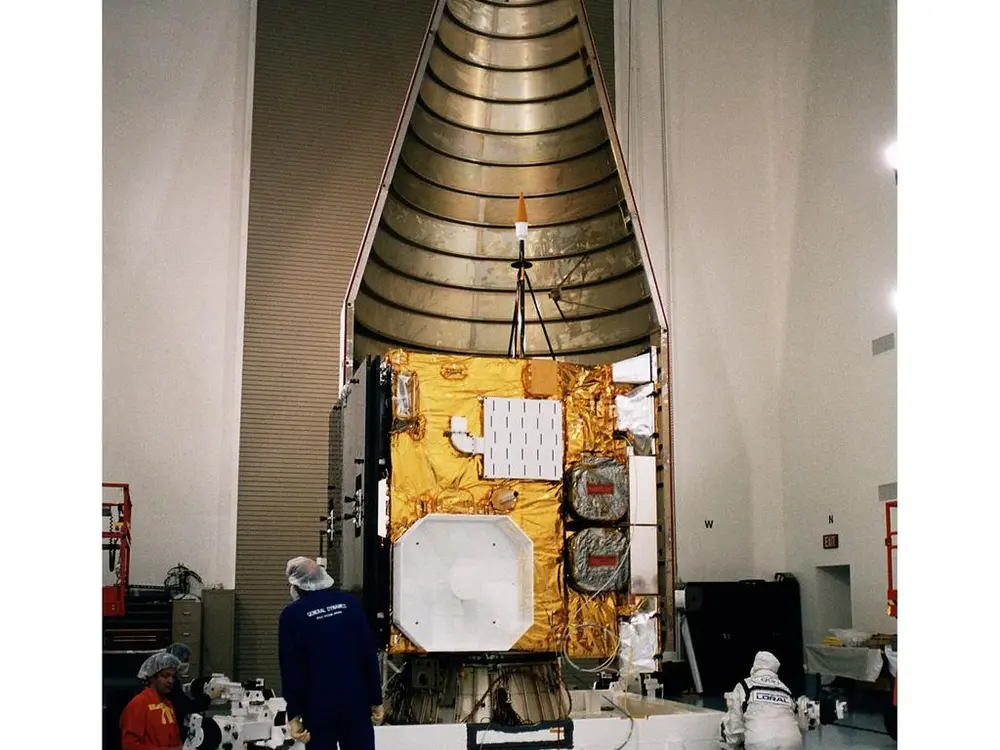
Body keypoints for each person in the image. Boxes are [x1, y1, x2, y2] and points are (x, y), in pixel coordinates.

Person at [278, 556, 384, 750]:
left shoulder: (292, 616)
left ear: (296, 584)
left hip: (317, 707)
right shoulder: (350, 604)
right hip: (356, 703)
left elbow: (291, 669)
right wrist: (376, 699)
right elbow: (368, 655)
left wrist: (294, 714)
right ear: (322, 576)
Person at [720, 651, 808, 750]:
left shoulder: (745, 686)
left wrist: (730, 744)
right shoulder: (785, 689)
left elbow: (735, 723)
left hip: (760, 744)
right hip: (793, 743)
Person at [120, 652, 184, 750]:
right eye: (165, 676)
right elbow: (130, 746)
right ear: (152, 677)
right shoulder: (139, 704)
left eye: (173, 676)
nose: (171, 681)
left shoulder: (167, 705)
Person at [164, 642, 216, 744]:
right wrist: (208, 697)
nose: (187, 664)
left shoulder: (169, 680)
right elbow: (186, 705)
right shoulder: (172, 683)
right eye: (186, 660)